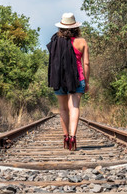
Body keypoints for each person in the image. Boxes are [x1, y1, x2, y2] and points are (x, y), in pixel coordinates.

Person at [47, 13, 90, 151]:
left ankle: (65, 138)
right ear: (76, 27)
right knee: (74, 107)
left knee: (63, 109)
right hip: (77, 79)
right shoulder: (81, 42)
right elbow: (86, 63)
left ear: (61, 27)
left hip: (59, 79)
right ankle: (73, 138)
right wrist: (87, 82)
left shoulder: (55, 42)